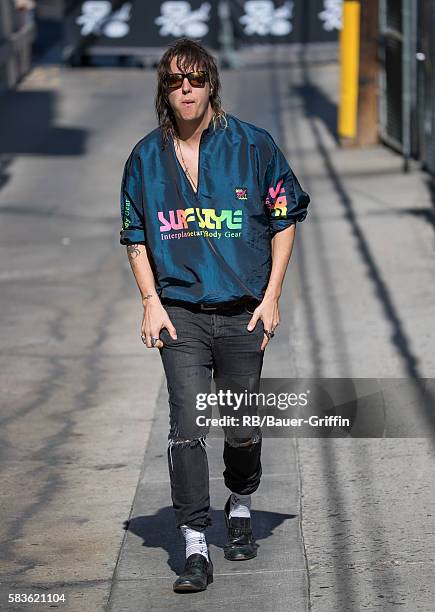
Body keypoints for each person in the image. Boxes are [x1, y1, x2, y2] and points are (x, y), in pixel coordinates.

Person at [119, 37, 310, 593]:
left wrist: (272, 295)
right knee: (186, 426)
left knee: (242, 428)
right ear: (164, 88)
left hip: (243, 313)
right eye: (177, 80)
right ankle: (196, 541)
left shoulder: (252, 146)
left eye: (196, 79)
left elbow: (284, 216)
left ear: (211, 86)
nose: (187, 89)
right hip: (180, 313)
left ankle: (242, 502)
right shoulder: (145, 158)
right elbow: (134, 233)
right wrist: (151, 301)